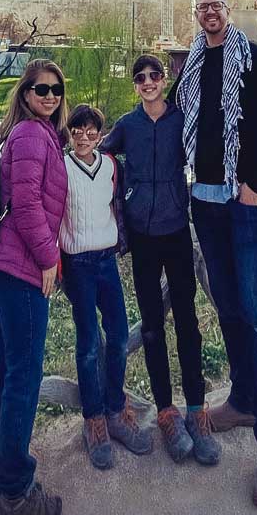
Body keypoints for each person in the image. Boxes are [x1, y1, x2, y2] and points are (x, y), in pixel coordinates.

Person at [174, 0, 257, 509]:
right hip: (205, 199)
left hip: (242, 202)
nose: (211, 12)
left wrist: (254, 186)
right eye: (202, 6)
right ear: (196, 15)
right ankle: (244, 399)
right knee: (228, 308)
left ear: (229, 12)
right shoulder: (193, 64)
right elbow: (172, 118)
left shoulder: (254, 59)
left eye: (217, 4)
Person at [100, 54, 220, 466]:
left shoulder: (181, 118)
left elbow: (214, 134)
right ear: (135, 85)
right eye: (141, 78)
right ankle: (167, 413)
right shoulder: (128, 125)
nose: (148, 82)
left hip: (176, 231)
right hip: (143, 238)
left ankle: (197, 412)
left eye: (154, 76)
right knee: (152, 326)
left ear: (164, 79)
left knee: (187, 320)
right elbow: (94, 155)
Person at [0, 59, 69, 515]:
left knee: (1, 372)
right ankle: (15, 490)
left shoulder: (37, 133)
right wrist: (50, 257)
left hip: (6, 263)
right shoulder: (32, 135)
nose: (50, 97)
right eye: (41, 89)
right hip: (22, 266)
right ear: (26, 93)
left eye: (56, 90)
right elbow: (29, 202)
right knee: (23, 378)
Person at [60, 104, 153, 469]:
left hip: (106, 262)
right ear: (70, 134)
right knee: (87, 344)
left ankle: (115, 410)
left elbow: (120, 205)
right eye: (77, 130)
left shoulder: (111, 166)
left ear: (100, 134)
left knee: (116, 337)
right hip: (77, 264)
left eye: (91, 131)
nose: (84, 137)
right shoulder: (61, 166)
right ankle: (93, 420)